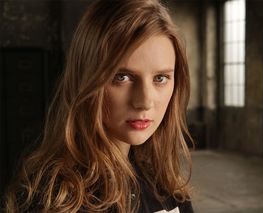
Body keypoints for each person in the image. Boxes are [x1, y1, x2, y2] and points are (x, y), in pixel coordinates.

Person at [5, 0, 194, 212]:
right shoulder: (56, 199)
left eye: (160, 78)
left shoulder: (165, 185)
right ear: (86, 78)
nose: (145, 101)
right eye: (121, 77)